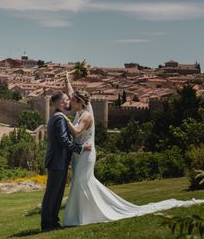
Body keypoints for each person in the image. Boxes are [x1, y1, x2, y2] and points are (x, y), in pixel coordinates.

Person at [60, 72, 204, 226]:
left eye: (73, 100)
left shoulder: (86, 116)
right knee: (80, 183)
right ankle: (84, 215)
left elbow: (76, 132)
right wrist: (67, 80)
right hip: (79, 153)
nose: (70, 102)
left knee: (82, 182)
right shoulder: (80, 111)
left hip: (86, 155)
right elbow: (71, 93)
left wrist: (61, 116)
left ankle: (80, 218)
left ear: (80, 103)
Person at [41, 91, 91, 232]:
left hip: (59, 161)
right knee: (52, 194)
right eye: (66, 99)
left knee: (57, 193)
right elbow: (63, 140)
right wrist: (80, 148)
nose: (69, 101)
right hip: (57, 161)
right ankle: (47, 224)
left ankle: (53, 222)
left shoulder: (58, 117)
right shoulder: (59, 119)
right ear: (61, 103)